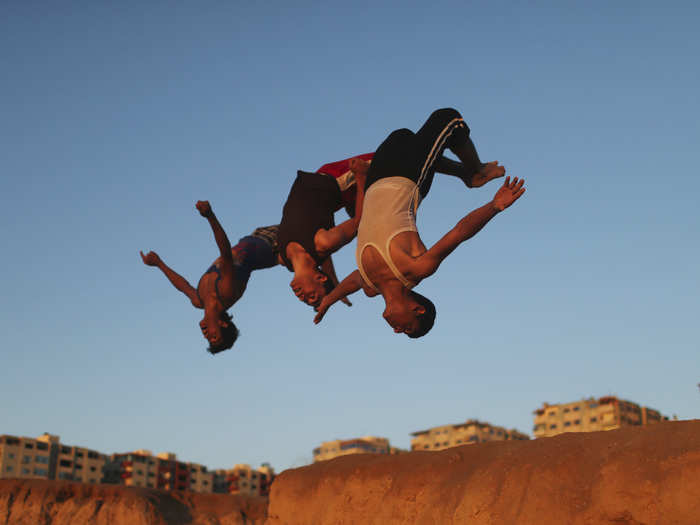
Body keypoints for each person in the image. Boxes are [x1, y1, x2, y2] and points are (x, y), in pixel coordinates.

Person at [313, 107, 525, 337]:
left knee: (401, 137)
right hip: (408, 176)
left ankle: (462, 173)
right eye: (407, 327)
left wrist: (328, 301)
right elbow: (459, 233)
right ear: (417, 309)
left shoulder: (370, 286)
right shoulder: (417, 267)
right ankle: (476, 172)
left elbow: (353, 281)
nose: (396, 330)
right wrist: (494, 206)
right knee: (450, 119)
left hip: (376, 177)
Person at [140, 201, 279, 354]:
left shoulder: (199, 300)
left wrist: (159, 264)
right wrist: (210, 216)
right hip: (273, 244)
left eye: (207, 339)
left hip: (255, 237)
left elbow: (183, 286)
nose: (206, 335)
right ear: (223, 324)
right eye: (214, 336)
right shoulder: (226, 292)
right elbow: (225, 254)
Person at [278, 154, 374, 308]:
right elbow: (359, 222)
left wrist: (334, 281)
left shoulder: (283, 258)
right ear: (320, 278)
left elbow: (320, 260)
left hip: (322, 183)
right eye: (312, 296)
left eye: (304, 301)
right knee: (399, 155)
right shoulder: (324, 243)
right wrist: (361, 176)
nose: (303, 298)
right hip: (338, 178)